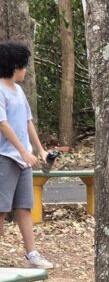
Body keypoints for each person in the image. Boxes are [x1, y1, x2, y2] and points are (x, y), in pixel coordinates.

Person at [0, 41, 54, 269]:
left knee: (23, 207)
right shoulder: (0, 90)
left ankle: (31, 254)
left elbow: (27, 122)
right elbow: (2, 124)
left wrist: (40, 150)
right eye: (24, 65)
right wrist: (22, 151)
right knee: (1, 209)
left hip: (24, 160)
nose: (26, 70)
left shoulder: (19, 91)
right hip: (5, 157)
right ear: (14, 66)